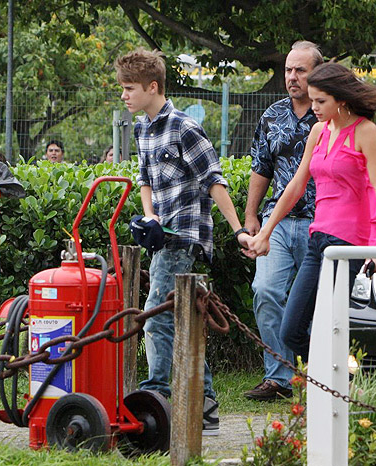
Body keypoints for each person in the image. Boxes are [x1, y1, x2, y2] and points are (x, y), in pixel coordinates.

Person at [115, 47, 251, 436]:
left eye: (129, 88)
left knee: (156, 316)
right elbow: (145, 181)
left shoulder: (184, 127)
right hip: (162, 233)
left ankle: (156, 395)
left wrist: (238, 228)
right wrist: (150, 216)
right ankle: (204, 403)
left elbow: (214, 180)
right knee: (177, 319)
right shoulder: (142, 128)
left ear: (152, 86)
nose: (123, 95)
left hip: (186, 234)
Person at [247, 62, 376, 362]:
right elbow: (296, 185)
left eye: (321, 101)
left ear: (341, 99)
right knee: (292, 331)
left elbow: (374, 189)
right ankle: (348, 376)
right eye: (312, 100)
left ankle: (344, 386)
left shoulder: (365, 131)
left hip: (348, 244)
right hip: (318, 241)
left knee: (331, 325)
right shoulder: (318, 131)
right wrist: (265, 231)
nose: (313, 107)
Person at [242, 41, 323, 401]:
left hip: (319, 223)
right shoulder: (272, 115)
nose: (292, 77)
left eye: (300, 70)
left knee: (320, 301)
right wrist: (250, 216)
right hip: (277, 221)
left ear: (316, 74)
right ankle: (279, 377)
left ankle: (320, 374)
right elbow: (261, 168)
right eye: (289, 70)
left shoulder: (332, 118)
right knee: (265, 291)